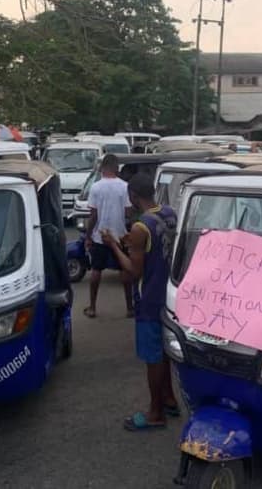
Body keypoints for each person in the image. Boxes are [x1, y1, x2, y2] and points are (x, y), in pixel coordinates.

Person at [102, 173, 179, 431]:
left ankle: (155, 413)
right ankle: (168, 399)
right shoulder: (169, 213)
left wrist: (113, 245)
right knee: (164, 352)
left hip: (148, 298)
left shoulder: (139, 227)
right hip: (168, 295)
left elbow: (133, 272)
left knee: (153, 357)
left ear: (133, 196)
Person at [83, 154, 133, 318]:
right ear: (116, 168)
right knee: (124, 270)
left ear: (102, 168)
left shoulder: (96, 187)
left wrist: (88, 236)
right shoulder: (125, 186)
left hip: (101, 235)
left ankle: (92, 307)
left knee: (96, 270)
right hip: (120, 235)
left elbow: (93, 215)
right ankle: (129, 308)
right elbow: (128, 212)